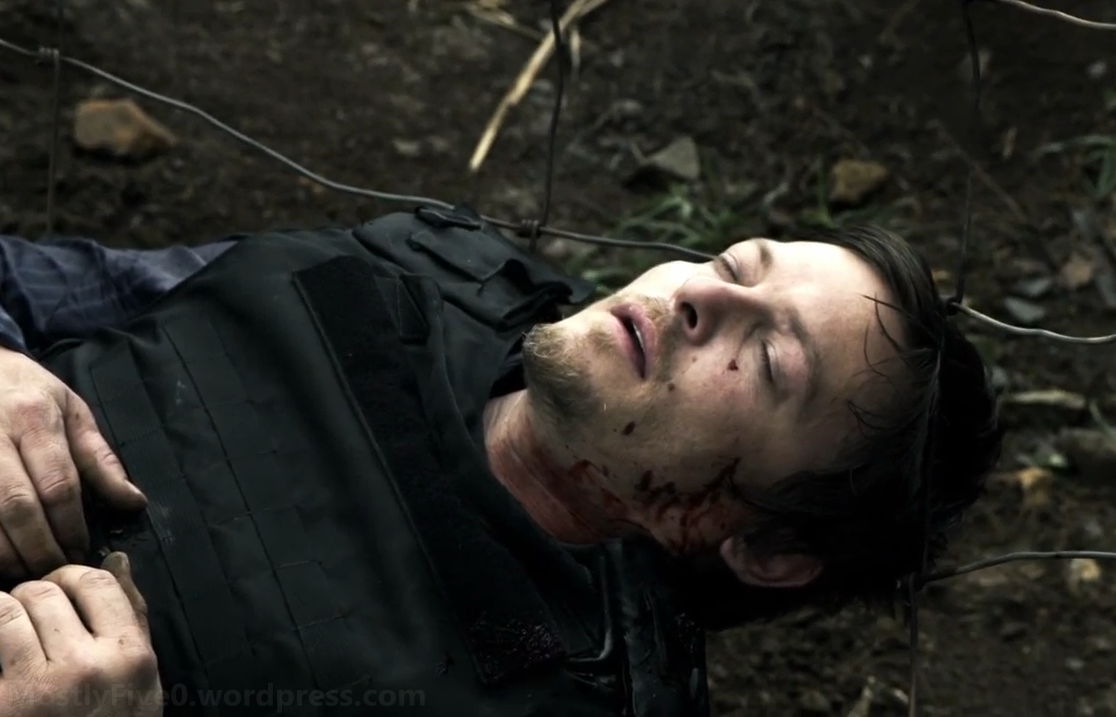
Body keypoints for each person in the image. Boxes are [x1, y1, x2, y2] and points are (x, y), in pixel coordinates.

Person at [0, 206, 1000, 715]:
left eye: (772, 361)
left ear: (769, 548)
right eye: (738, 264)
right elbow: (48, 283)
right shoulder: (432, 268)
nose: (703, 295)